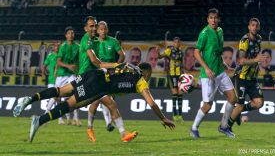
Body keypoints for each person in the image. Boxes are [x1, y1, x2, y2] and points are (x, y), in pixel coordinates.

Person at [13, 62, 175, 143]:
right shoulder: (141, 81)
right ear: (146, 73)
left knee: (63, 91)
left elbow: (104, 65)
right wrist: (162, 118)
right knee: (71, 104)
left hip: (94, 74)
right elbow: (151, 103)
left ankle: (31, 100)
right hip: (98, 85)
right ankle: (39, 120)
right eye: (150, 74)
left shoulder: (128, 66)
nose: (149, 77)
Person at [190, 8, 237, 139]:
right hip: (208, 75)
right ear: (207, 19)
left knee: (233, 98)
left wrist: (222, 62)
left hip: (220, 72)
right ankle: (194, 128)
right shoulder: (204, 33)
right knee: (207, 106)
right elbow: (196, 52)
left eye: (215, 18)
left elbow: (217, 51)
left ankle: (224, 126)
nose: (213, 20)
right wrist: (206, 68)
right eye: (211, 18)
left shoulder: (220, 31)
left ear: (219, 19)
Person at [87, 21, 126, 142]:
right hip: (97, 73)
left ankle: (94, 127)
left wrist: (117, 66)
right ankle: (119, 131)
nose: (103, 31)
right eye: (101, 29)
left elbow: (122, 55)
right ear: (97, 31)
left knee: (109, 101)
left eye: (105, 29)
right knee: (96, 101)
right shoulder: (93, 43)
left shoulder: (113, 41)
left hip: (111, 73)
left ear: (107, 30)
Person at [227, 18, 266, 132]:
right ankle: (226, 127)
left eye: (256, 25)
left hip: (252, 78)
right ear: (249, 27)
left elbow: (255, 56)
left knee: (259, 103)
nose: (254, 27)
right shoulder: (245, 41)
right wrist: (256, 60)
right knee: (239, 104)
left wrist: (257, 63)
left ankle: (238, 111)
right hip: (241, 77)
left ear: (258, 27)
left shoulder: (259, 39)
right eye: (252, 25)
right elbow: (241, 61)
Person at [55, 26, 81, 126]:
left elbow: (79, 61)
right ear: (66, 35)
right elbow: (58, 62)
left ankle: (76, 118)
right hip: (62, 75)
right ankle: (60, 118)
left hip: (72, 74)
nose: (71, 35)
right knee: (58, 97)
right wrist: (68, 66)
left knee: (76, 93)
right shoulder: (63, 47)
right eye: (69, 33)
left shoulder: (77, 47)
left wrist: (78, 72)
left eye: (72, 33)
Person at [158, 37, 184, 122]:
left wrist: (183, 74)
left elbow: (181, 64)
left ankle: (180, 115)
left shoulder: (181, 52)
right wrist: (158, 51)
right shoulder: (169, 51)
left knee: (180, 93)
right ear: (173, 43)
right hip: (172, 74)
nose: (177, 43)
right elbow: (159, 57)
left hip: (179, 74)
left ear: (180, 44)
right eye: (175, 42)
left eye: (178, 42)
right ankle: (174, 114)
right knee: (175, 93)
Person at [41, 43, 62, 123]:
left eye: (58, 46)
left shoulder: (62, 56)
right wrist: (43, 74)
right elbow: (44, 65)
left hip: (60, 79)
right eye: (55, 46)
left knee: (58, 99)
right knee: (54, 97)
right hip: (52, 80)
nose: (57, 47)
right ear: (53, 48)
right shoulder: (50, 56)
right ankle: (47, 114)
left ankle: (59, 119)